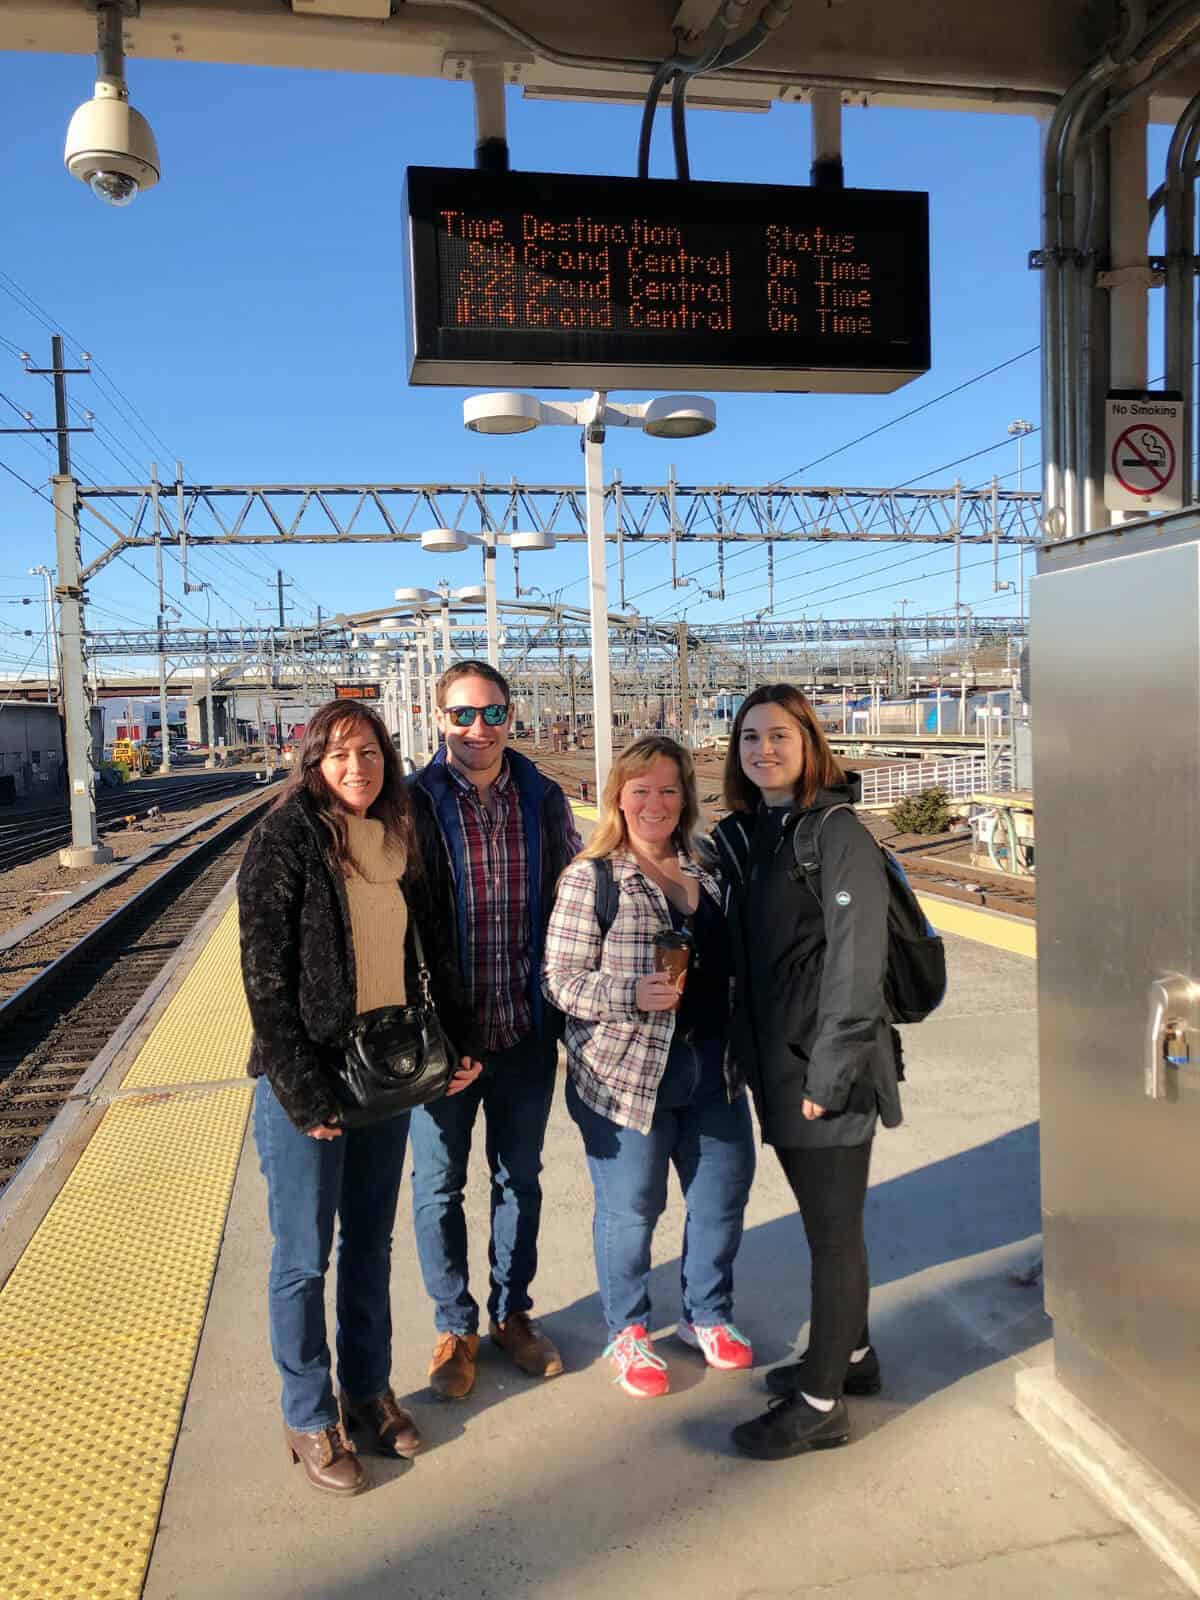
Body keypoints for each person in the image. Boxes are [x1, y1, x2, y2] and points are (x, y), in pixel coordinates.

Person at [238, 699, 484, 1496]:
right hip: (308, 1087)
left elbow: (437, 948)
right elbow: (265, 982)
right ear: (314, 761)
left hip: (390, 1071)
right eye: (340, 754)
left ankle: (369, 1391)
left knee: (371, 1248)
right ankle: (308, 1414)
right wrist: (305, 1094)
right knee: (304, 1259)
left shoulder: (404, 835)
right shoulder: (284, 840)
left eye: (371, 752)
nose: (358, 767)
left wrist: (458, 1040)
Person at [712, 684, 902, 1461]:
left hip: (830, 1068)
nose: (764, 750)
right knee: (824, 1223)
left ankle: (821, 1405)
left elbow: (858, 965)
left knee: (833, 1236)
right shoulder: (753, 834)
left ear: (810, 742)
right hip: (778, 1065)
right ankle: (851, 1361)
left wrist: (830, 1073)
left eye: (780, 735)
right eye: (750, 737)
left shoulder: (835, 833)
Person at [543, 735, 756, 1398]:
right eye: (641, 790)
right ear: (618, 800)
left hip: (714, 1067)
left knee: (722, 1197)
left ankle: (706, 1316)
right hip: (627, 1074)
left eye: (669, 789)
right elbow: (560, 981)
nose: (656, 803)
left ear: (685, 797)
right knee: (633, 1208)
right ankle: (628, 1330)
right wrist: (629, 992)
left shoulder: (709, 866)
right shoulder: (594, 877)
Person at [407, 661, 583, 1399]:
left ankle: (513, 1314)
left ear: (512, 717)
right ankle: (456, 1325)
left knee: (520, 1178)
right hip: (442, 1042)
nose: (478, 729)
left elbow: (575, 889)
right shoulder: (410, 803)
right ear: (437, 718)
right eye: (462, 715)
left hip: (523, 1029)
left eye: (492, 713)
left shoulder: (542, 799)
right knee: (438, 1185)